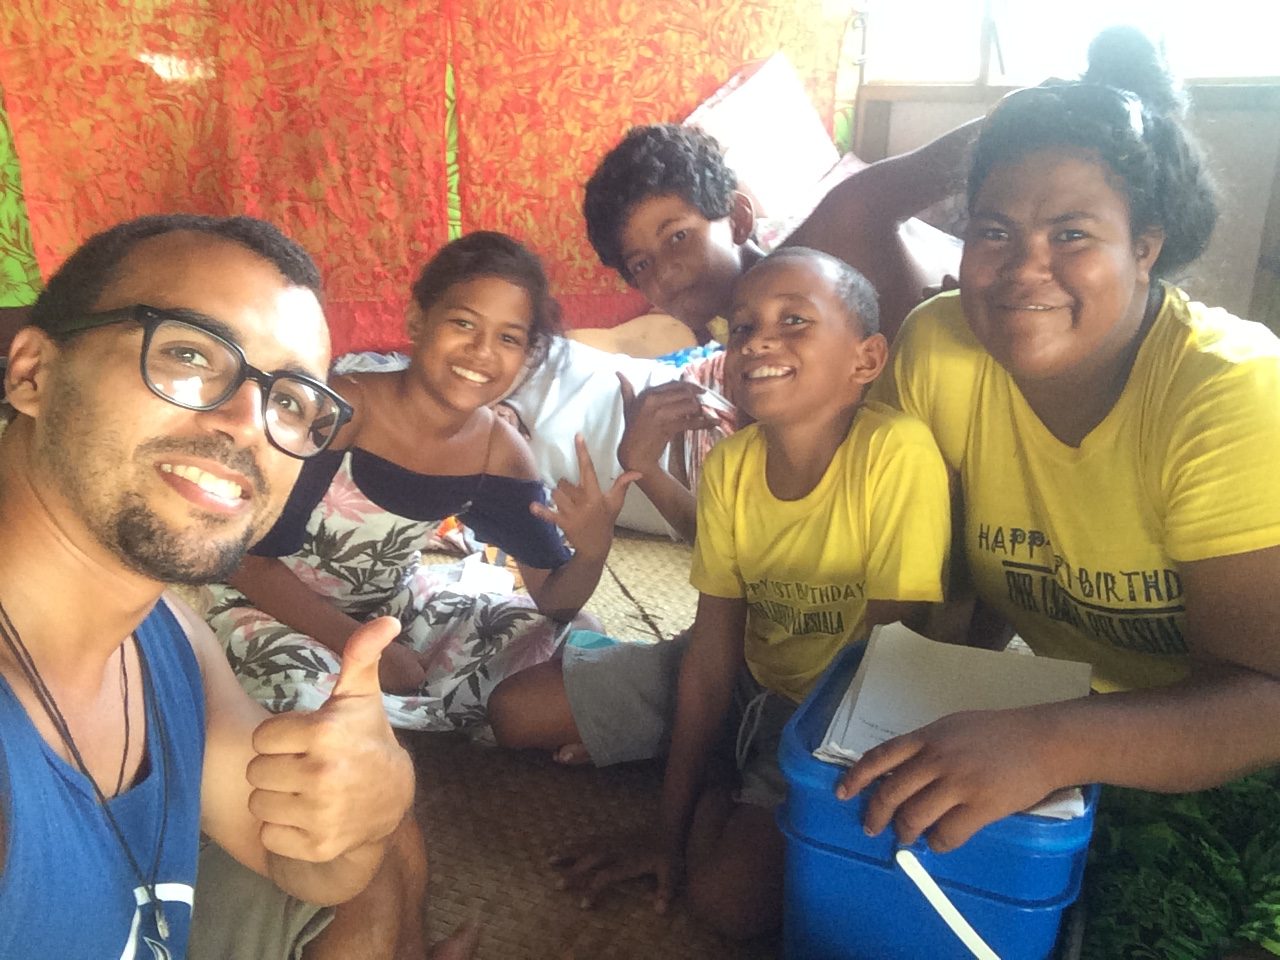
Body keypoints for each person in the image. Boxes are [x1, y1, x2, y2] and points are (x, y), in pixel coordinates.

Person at [841, 27, 1280, 960]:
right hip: (1114, 753)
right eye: (993, 230)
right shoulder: (939, 351)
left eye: (1071, 234)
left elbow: (1269, 696)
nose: (1023, 265)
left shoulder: (1227, 395)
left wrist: (1043, 744)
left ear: (1146, 246)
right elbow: (937, 600)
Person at [0, 213, 435, 959]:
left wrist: (363, 813)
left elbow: (297, 855)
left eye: (293, 401)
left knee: (386, 832)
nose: (248, 423)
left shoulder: (170, 632)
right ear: (33, 370)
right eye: (190, 353)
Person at [551, 247, 951, 937]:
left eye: (794, 320)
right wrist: (665, 833)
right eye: (742, 328)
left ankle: (722, 786)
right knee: (511, 713)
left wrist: (754, 781)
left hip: (827, 709)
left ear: (866, 360)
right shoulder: (733, 464)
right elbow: (710, 659)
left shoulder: (896, 455)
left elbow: (881, 668)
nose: (759, 339)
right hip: (744, 680)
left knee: (728, 906)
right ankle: (706, 774)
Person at [203, 232, 634, 755]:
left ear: (528, 355)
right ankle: (398, 720)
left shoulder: (499, 450)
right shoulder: (345, 412)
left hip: (391, 605)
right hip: (270, 605)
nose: (481, 351)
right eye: (463, 324)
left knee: (562, 640)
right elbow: (247, 563)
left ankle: (401, 718)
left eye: (508, 338)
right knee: (305, 700)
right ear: (416, 321)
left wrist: (593, 551)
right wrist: (367, 650)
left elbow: (556, 601)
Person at [582, 119, 978, 541]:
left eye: (678, 236)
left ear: (737, 218)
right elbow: (749, 547)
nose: (665, 273)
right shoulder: (757, 372)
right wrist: (640, 463)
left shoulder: (842, 230)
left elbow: (1010, 124)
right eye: (641, 264)